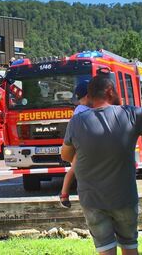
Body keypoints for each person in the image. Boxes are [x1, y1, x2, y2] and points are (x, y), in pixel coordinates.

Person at [61, 73, 142, 255]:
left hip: (92, 201)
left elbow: (66, 155)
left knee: (105, 250)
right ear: (109, 91)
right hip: (124, 198)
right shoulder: (130, 114)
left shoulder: (77, 122)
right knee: (130, 247)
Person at [59, 80, 91, 208]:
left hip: (82, 145)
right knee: (74, 169)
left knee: (74, 170)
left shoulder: (80, 108)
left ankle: (64, 194)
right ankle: (64, 194)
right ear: (88, 96)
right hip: (82, 147)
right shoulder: (83, 110)